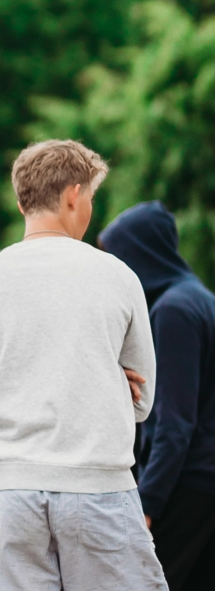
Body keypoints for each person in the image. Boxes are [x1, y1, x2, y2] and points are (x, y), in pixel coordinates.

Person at [0, 139, 163, 590]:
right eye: (90, 197)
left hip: (9, 491)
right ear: (73, 194)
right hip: (98, 484)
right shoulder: (118, 275)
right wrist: (104, 379)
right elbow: (143, 400)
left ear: (20, 202)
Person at [100, 201, 215, 589]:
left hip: (186, 482)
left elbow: (174, 422)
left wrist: (148, 503)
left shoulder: (173, 311)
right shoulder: (200, 299)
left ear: (141, 253)